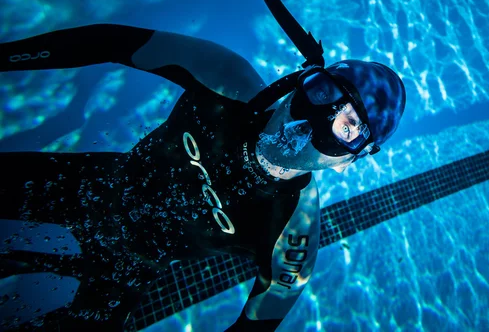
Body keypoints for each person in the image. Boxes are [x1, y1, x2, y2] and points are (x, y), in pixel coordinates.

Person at [0, 22, 406, 331]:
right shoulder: (225, 79)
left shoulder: (295, 232)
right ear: (301, 82)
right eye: (321, 92)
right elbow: (111, 42)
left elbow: (257, 324)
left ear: (347, 161)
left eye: (347, 129)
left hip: (124, 272)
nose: (310, 122)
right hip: (95, 184)